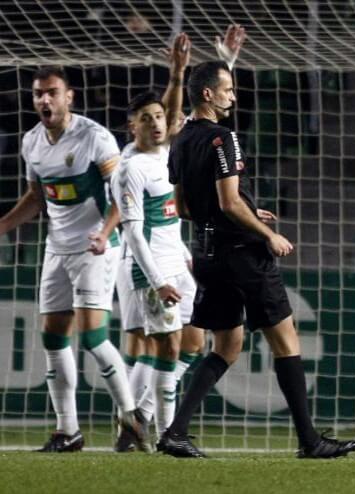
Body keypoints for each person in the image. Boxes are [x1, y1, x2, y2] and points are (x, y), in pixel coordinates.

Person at [158, 59, 355, 459]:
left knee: (227, 346)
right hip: (244, 255)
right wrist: (267, 232)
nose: (234, 95)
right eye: (228, 89)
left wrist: (247, 210)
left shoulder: (180, 140)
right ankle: (309, 441)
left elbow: (182, 208)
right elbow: (229, 200)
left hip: (208, 254)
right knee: (286, 341)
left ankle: (175, 432)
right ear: (208, 94)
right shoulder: (223, 139)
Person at [0, 66, 147, 452]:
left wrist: (103, 231)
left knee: (93, 336)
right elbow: (36, 198)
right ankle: (68, 431)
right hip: (57, 247)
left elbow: (122, 195)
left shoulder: (95, 138)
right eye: (37, 94)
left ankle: (131, 417)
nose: (44, 100)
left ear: (70, 97)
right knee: (52, 337)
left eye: (52, 92)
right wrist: (2, 225)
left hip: (97, 246)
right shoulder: (31, 142)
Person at [112, 31, 216, 451]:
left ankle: (138, 418)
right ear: (131, 125)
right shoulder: (129, 167)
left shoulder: (165, 151)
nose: (156, 122)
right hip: (151, 267)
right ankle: (168, 435)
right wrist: (157, 280)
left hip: (179, 261)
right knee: (166, 348)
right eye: (146, 118)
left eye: (159, 116)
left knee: (193, 343)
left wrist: (179, 72)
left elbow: (179, 110)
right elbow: (133, 231)